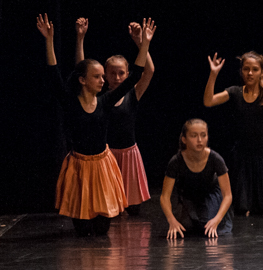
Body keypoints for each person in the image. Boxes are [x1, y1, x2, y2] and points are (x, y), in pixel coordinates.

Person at [38, 14, 154, 236]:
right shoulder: (70, 103)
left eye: (103, 76)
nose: (104, 81)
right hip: (80, 167)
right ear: (82, 80)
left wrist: (144, 42)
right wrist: (49, 41)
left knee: (101, 230)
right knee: (83, 230)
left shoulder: (106, 101)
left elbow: (136, 76)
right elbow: (53, 75)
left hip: (102, 166)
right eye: (98, 77)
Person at [75, 19, 155, 215]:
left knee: (133, 210)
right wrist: (80, 38)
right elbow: (80, 71)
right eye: (112, 73)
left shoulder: (133, 93)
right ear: (104, 75)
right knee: (111, 210)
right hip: (107, 157)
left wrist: (141, 42)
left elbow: (149, 71)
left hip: (128, 155)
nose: (117, 77)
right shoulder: (98, 98)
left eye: (121, 73)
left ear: (128, 74)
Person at [202, 39, 263, 216]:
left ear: (262, 71)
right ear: (241, 71)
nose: (250, 73)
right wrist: (213, 74)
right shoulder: (235, 92)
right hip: (243, 156)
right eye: (246, 69)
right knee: (242, 208)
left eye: (255, 69)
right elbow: (208, 101)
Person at [160, 119, 233, 238]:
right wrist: (171, 220)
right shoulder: (176, 161)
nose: (199, 140)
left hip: (210, 194)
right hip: (189, 195)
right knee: (185, 226)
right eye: (194, 136)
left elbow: (228, 195)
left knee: (206, 224)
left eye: (203, 135)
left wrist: (217, 220)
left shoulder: (215, 159)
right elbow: (164, 196)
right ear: (184, 139)